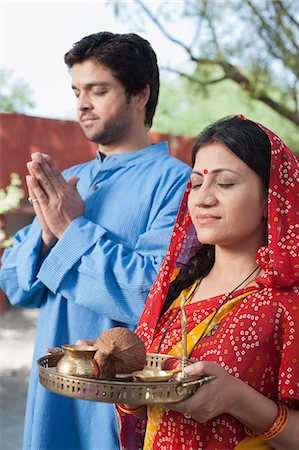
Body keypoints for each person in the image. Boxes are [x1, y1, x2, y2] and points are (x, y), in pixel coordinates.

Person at [0, 32, 190, 450]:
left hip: (117, 402)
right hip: (51, 391)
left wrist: (72, 230)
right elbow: (15, 285)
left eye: (98, 90)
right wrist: (48, 236)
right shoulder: (73, 178)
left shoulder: (176, 184)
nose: (82, 104)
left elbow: (151, 292)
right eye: (77, 91)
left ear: (140, 95)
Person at [117, 115, 299, 449]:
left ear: (269, 198)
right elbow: (154, 410)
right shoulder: (178, 291)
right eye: (197, 184)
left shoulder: (287, 303)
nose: (202, 199)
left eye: (225, 183)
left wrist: (238, 399)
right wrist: (123, 384)